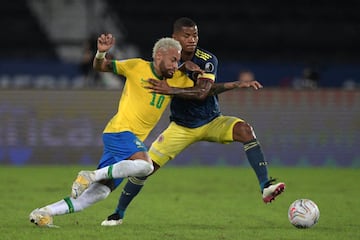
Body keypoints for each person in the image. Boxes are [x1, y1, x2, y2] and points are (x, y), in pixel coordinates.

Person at [101, 17, 285, 226]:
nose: (192, 40)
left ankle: (265, 186)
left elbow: (203, 91)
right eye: (186, 35)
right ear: (175, 38)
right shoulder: (167, 61)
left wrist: (172, 90)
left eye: (195, 35)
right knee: (146, 167)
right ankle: (118, 213)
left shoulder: (207, 59)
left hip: (211, 121)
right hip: (181, 127)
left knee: (245, 130)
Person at [29, 34, 197, 227]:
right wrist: (101, 53)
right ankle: (90, 174)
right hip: (120, 132)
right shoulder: (137, 66)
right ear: (159, 55)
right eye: (173, 60)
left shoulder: (177, 79)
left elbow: (202, 91)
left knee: (99, 193)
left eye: (178, 61)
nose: (176, 65)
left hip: (128, 143)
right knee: (146, 166)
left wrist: (197, 73)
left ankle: (43, 213)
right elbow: (101, 66)